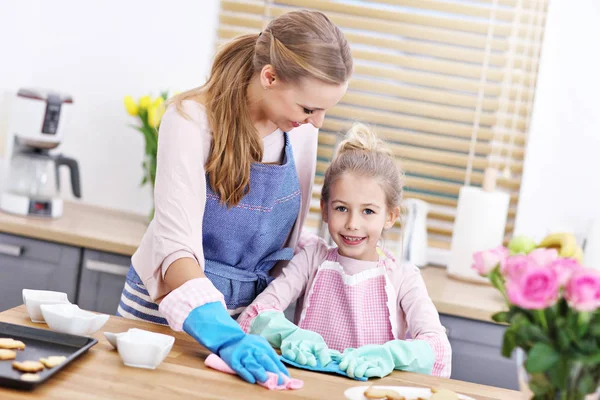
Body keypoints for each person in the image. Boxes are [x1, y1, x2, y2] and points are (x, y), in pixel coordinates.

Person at [116, 9, 353, 385]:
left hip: (245, 327)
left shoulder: (301, 131)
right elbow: (175, 248)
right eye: (309, 108)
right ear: (270, 76)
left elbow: (283, 235)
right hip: (165, 316)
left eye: (324, 110)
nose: (318, 121)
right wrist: (223, 335)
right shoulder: (191, 119)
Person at [237, 124, 452, 379]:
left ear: (390, 216)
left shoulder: (404, 277)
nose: (352, 223)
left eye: (368, 211)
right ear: (325, 209)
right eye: (341, 208)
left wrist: (391, 356)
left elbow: (438, 350)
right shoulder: (311, 259)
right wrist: (289, 334)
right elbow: (255, 314)